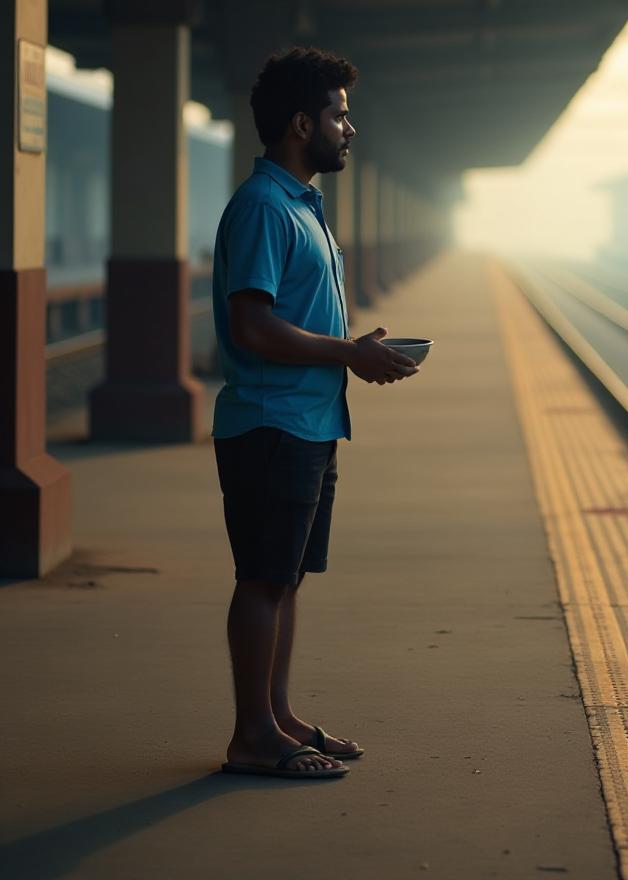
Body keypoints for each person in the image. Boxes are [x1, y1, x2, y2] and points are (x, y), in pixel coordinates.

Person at [211, 46, 417, 780]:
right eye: (339, 114)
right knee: (263, 578)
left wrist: (353, 357)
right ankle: (252, 736)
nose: (349, 128)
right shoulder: (266, 208)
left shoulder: (300, 206)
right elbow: (252, 327)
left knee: (287, 577)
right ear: (303, 123)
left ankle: (279, 714)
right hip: (270, 424)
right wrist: (347, 354)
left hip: (307, 422)